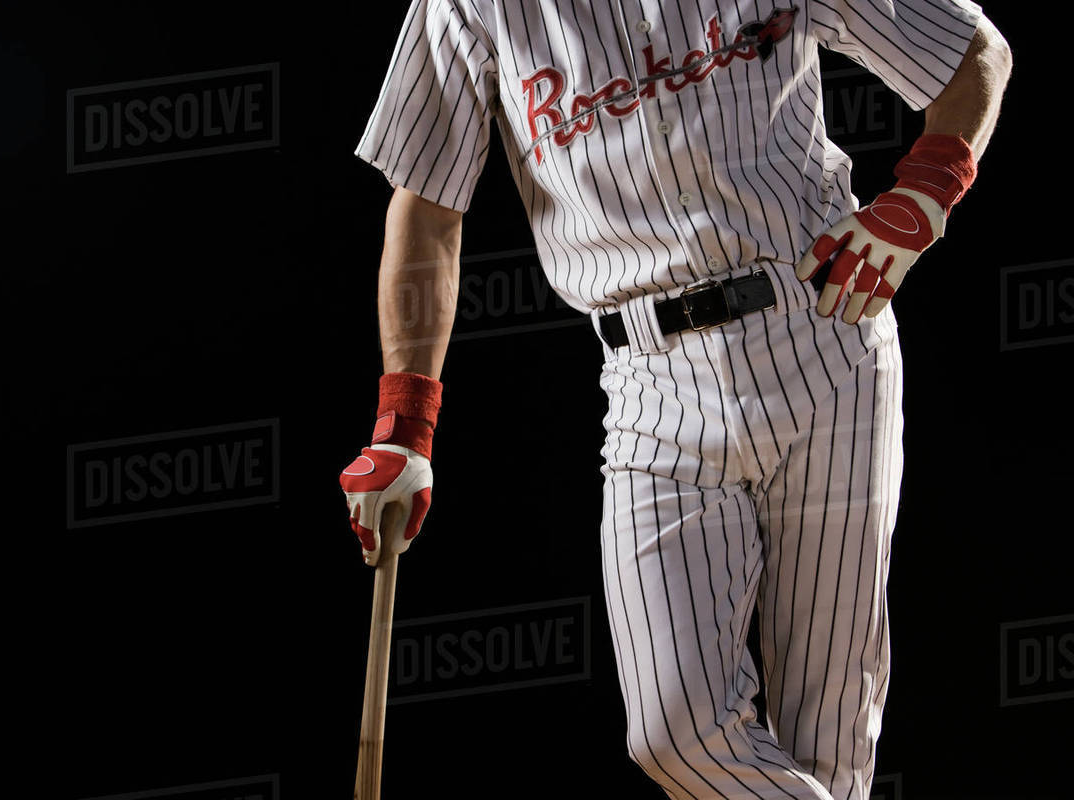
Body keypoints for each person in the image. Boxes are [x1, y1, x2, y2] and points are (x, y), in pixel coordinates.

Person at [339, 2, 1011, 797]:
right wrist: (404, 421)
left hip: (824, 331)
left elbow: (974, 52)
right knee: (674, 736)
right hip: (649, 381)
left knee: (828, 743)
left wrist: (923, 196)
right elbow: (427, 210)